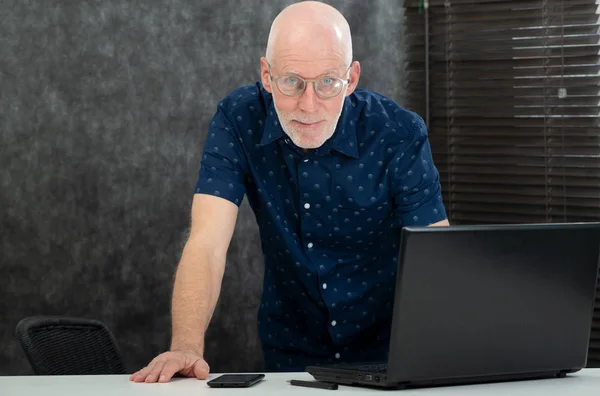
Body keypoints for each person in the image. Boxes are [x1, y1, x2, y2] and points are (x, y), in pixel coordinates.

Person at [130, 0, 448, 383]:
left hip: (392, 352)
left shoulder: (399, 133)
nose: (308, 105)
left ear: (351, 79)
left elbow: (436, 256)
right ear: (267, 75)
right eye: (292, 82)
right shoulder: (238, 119)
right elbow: (207, 243)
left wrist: (446, 356)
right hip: (290, 355)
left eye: (328, 82)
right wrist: (186, 346)